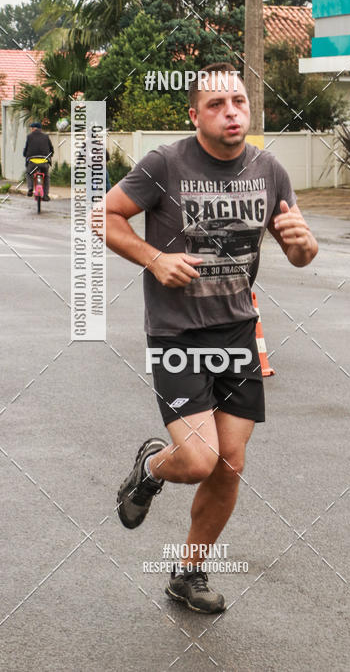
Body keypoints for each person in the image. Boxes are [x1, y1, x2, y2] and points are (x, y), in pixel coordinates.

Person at [103, 63, 318, 613]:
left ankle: (188, 573)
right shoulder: (164, 164)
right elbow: (106, 217)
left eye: (240, 103)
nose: (232, 113)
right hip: (176, 333)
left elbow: (297, 252)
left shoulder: (268, 170)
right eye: (218, 105)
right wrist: (155, 259)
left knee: (230, 464)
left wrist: (304, 245)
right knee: (198, 460)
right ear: (194, 113)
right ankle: (151, 469)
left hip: (239, 333)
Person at [23, 121, 53, 200]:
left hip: (32, 162)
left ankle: (30, 188)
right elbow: (51, 148)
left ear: (33, 129)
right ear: (40, 129)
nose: (31, 130)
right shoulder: (46, 136)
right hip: (44, 161)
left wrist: (25, 154)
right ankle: (46, 195)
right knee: (46, 176)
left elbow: (26, 148)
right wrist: (51, 154)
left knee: (29, 173)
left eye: (31, 128)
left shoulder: (29, 136)